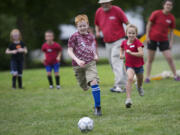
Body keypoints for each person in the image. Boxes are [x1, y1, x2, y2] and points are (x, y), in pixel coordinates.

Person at [68, 14, 102, 116]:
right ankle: (85, 83)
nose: (82, 28)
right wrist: (77, 60)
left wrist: (95, 55)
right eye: (80, 26)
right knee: (84, 87)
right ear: (77, 27)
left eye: (84, 25)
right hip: (78, 66)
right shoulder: (74, 37)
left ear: (87, 25)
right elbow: (69, 51)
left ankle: (98, 107)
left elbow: (92, 48)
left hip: (90, 63)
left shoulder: (91, 36)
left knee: (94, 82)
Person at [95, 0, 129, 92]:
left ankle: (119, 86)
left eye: (106, 3)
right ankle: (127, 84)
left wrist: (131, 36)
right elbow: (97, 24)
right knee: (113, 64)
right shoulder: (98, 11)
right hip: (107, 42)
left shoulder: (117, 10)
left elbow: (127, 23)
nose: (104, 5)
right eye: (102, 3)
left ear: (110, 3)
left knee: (116, 61)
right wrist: (97, 32)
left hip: (119, 40)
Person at [145, 0, 180, 82]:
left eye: (170, 5)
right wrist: (147, 36)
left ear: (171, 7)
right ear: (164, 5)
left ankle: (175, 76)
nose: (168, 6)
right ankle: (147, 77)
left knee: (169, 58)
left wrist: (171, 42)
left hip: (164, 40)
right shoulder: (156, 13)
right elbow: (149, 24)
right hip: (152, 39)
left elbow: (171, 31)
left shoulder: (171, 17)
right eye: (167, 4)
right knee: (150, 59)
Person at [120, 24, 144, 108]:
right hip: (129, 65)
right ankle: (128, 99)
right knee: (130, 78)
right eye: (129, 33)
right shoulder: (124, 42)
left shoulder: (137, 42)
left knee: (140, 80)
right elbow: (122, 48)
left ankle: (139, 87)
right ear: (126, 33)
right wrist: (121, 55)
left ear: (136, 34)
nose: (131, 35)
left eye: (133, 33)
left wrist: (131, 53)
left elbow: (141, 54)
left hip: (139, 65)